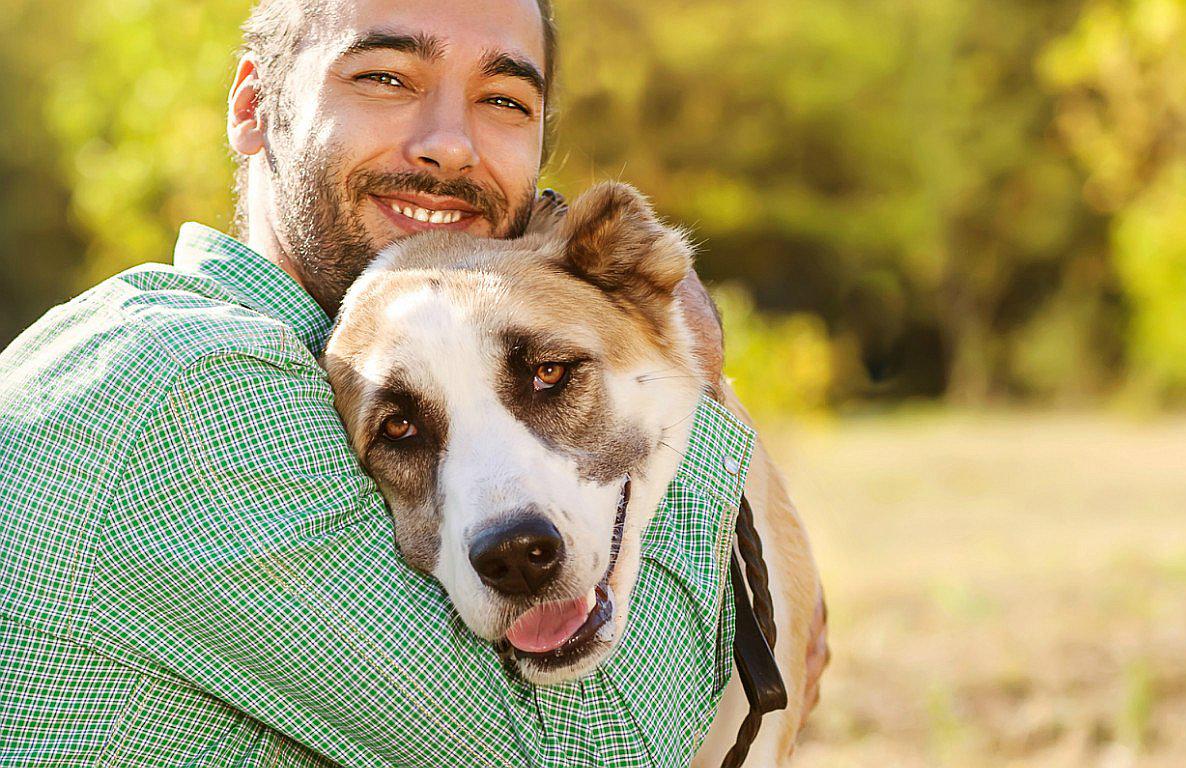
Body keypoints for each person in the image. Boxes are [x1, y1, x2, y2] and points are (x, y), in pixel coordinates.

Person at [0, 1, 753, 765]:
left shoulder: (307, 369)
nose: (450, 147)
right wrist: (683, 358)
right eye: (386, 78)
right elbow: (599, 750)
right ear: (253, 106)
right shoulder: (193, 386)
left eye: (503, 100)